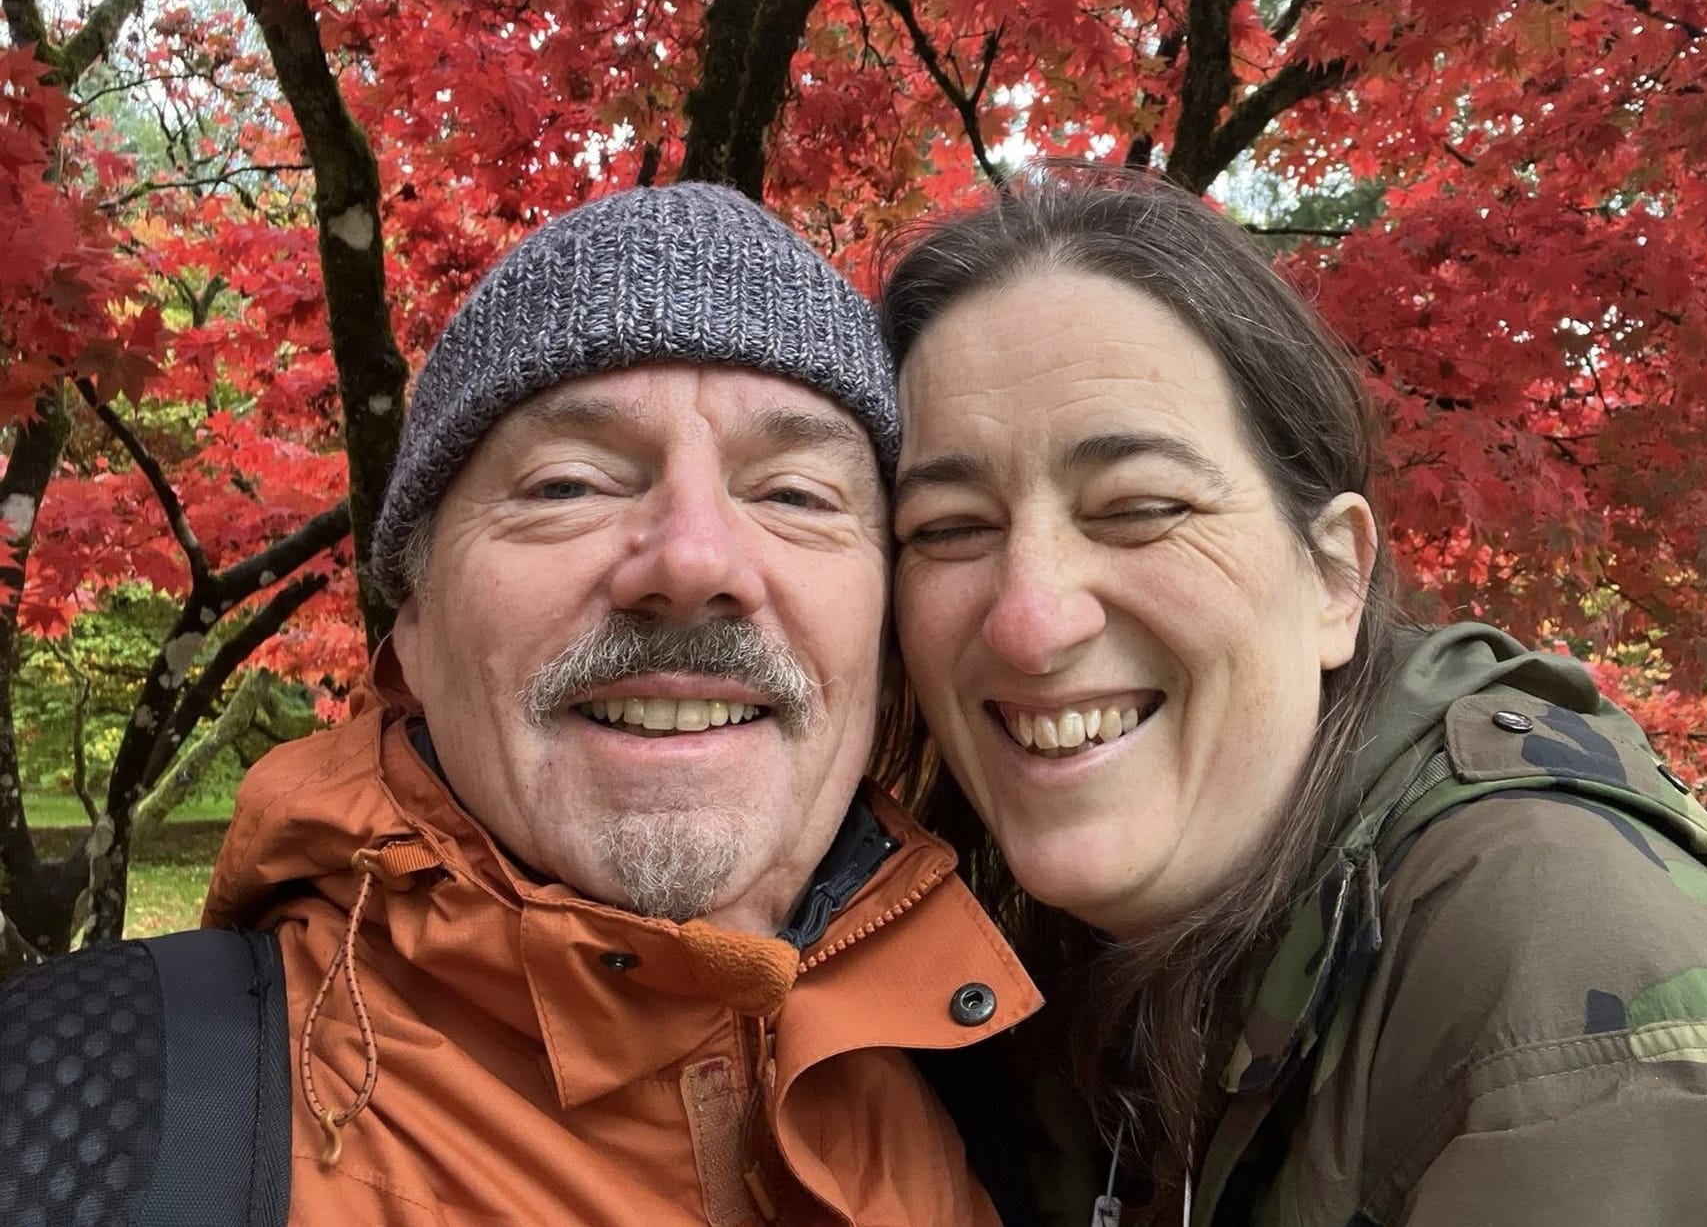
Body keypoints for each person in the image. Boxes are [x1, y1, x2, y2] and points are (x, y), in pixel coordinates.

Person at [877, 167, 1707, 1227]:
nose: (1028, 617)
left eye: (1136, 506)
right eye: (947, 530)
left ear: (1331, 578)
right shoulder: (1026, 970)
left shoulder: (1558, 1011)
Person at [0, 183, 1036, 1226]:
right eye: (567, 485)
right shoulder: (65, 1122)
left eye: (795, 496)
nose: (690, 558)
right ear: (410, 627)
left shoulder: (1016, 1103)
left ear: (890, 635)